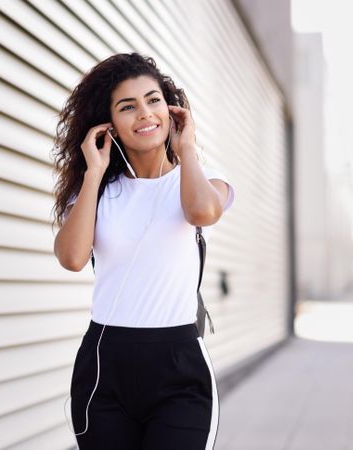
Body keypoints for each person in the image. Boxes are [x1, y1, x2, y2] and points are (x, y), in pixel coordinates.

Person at [51, 53, 235, 450]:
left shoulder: (200, 177)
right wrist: (94, 173)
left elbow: (202, 211)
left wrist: (186, 150)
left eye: (153, 100)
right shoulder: (99, 191)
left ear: (171, 110)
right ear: (108, 122)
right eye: (127, 107)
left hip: (179, 366)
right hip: (104, 365)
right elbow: (71, 258)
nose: (144, 114)